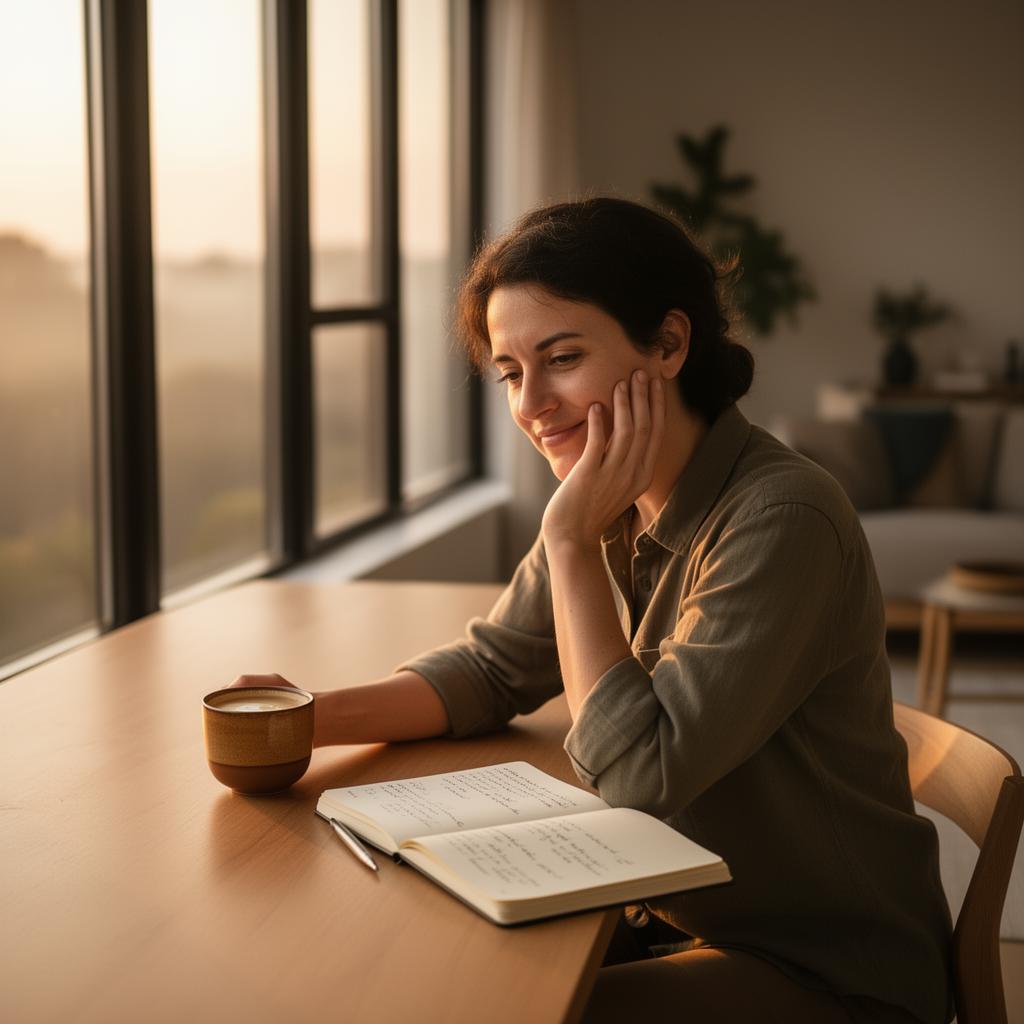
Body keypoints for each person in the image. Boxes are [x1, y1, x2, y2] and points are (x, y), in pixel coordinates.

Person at [234, 197, 953, 1023]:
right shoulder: (612, 495)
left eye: (562, 357)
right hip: (676, 912)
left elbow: (635, 778)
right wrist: (305, 719)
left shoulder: (779, 517)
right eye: (511, 372)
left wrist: (569, 541)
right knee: (402, 970)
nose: (532, 403)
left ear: (671, 344)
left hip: (826, 969)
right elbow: (494, 665)